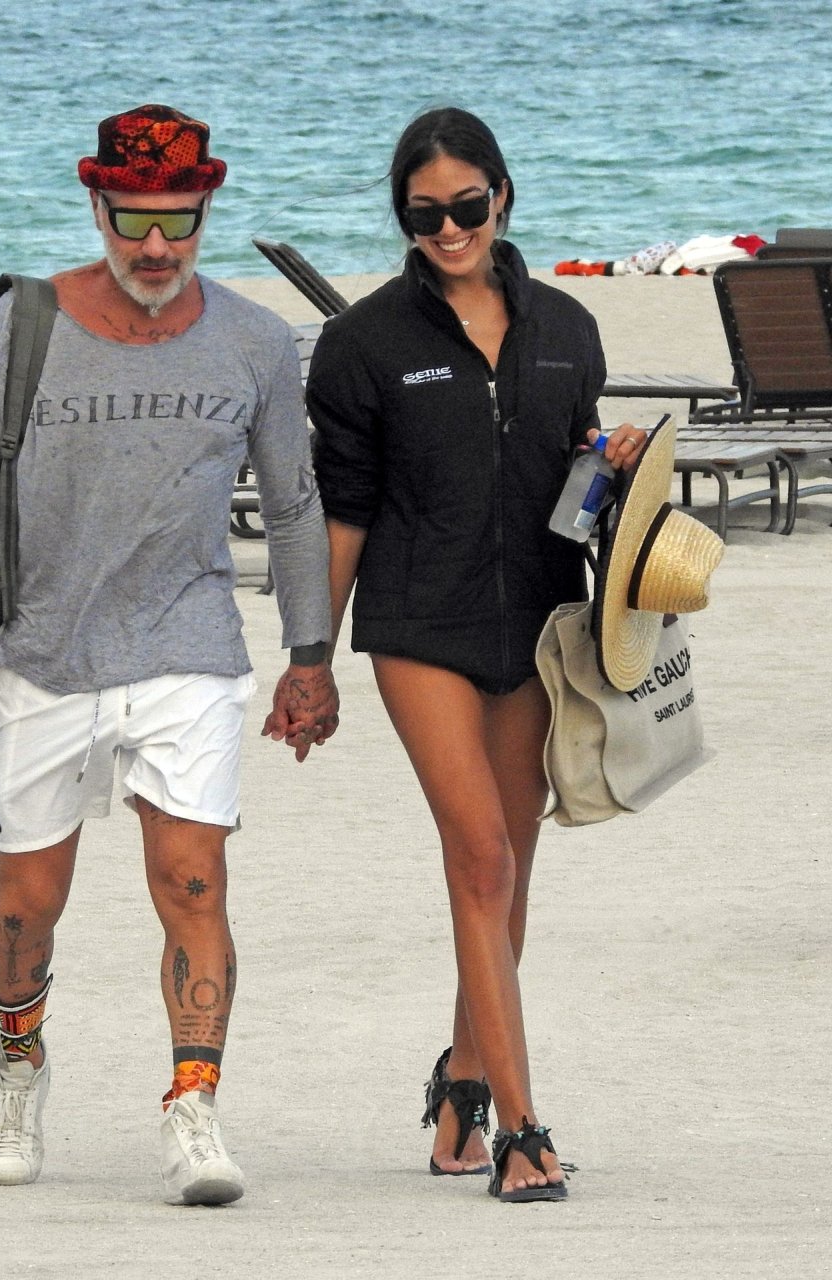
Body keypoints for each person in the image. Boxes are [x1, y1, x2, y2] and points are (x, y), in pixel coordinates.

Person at [0, 104, 339, 1203]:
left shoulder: (254, 339)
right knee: (22, 908)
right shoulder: (26, 323)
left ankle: (193, 1108)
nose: (154, 245)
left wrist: (310, 653)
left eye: (177, 220)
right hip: (42, 652)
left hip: (190, 646)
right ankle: (18, 1064)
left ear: (206, 212)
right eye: (133, 219)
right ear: (96, 206)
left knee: (193, 879)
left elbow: (294, 503)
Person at [305, 106, 648, 1203]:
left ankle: (460, 1084)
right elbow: (345, 512)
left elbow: (572, 479)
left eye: (466, 206)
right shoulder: (363, 344)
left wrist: (611, 459)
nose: (449, 229)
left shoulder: (567, 328)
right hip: (418, 622)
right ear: (401, 217)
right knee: (481, 857)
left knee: (509, 870)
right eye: (424, 215)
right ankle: (521, 1127)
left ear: (502, 197)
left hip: (538, 620)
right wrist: (311, 658)